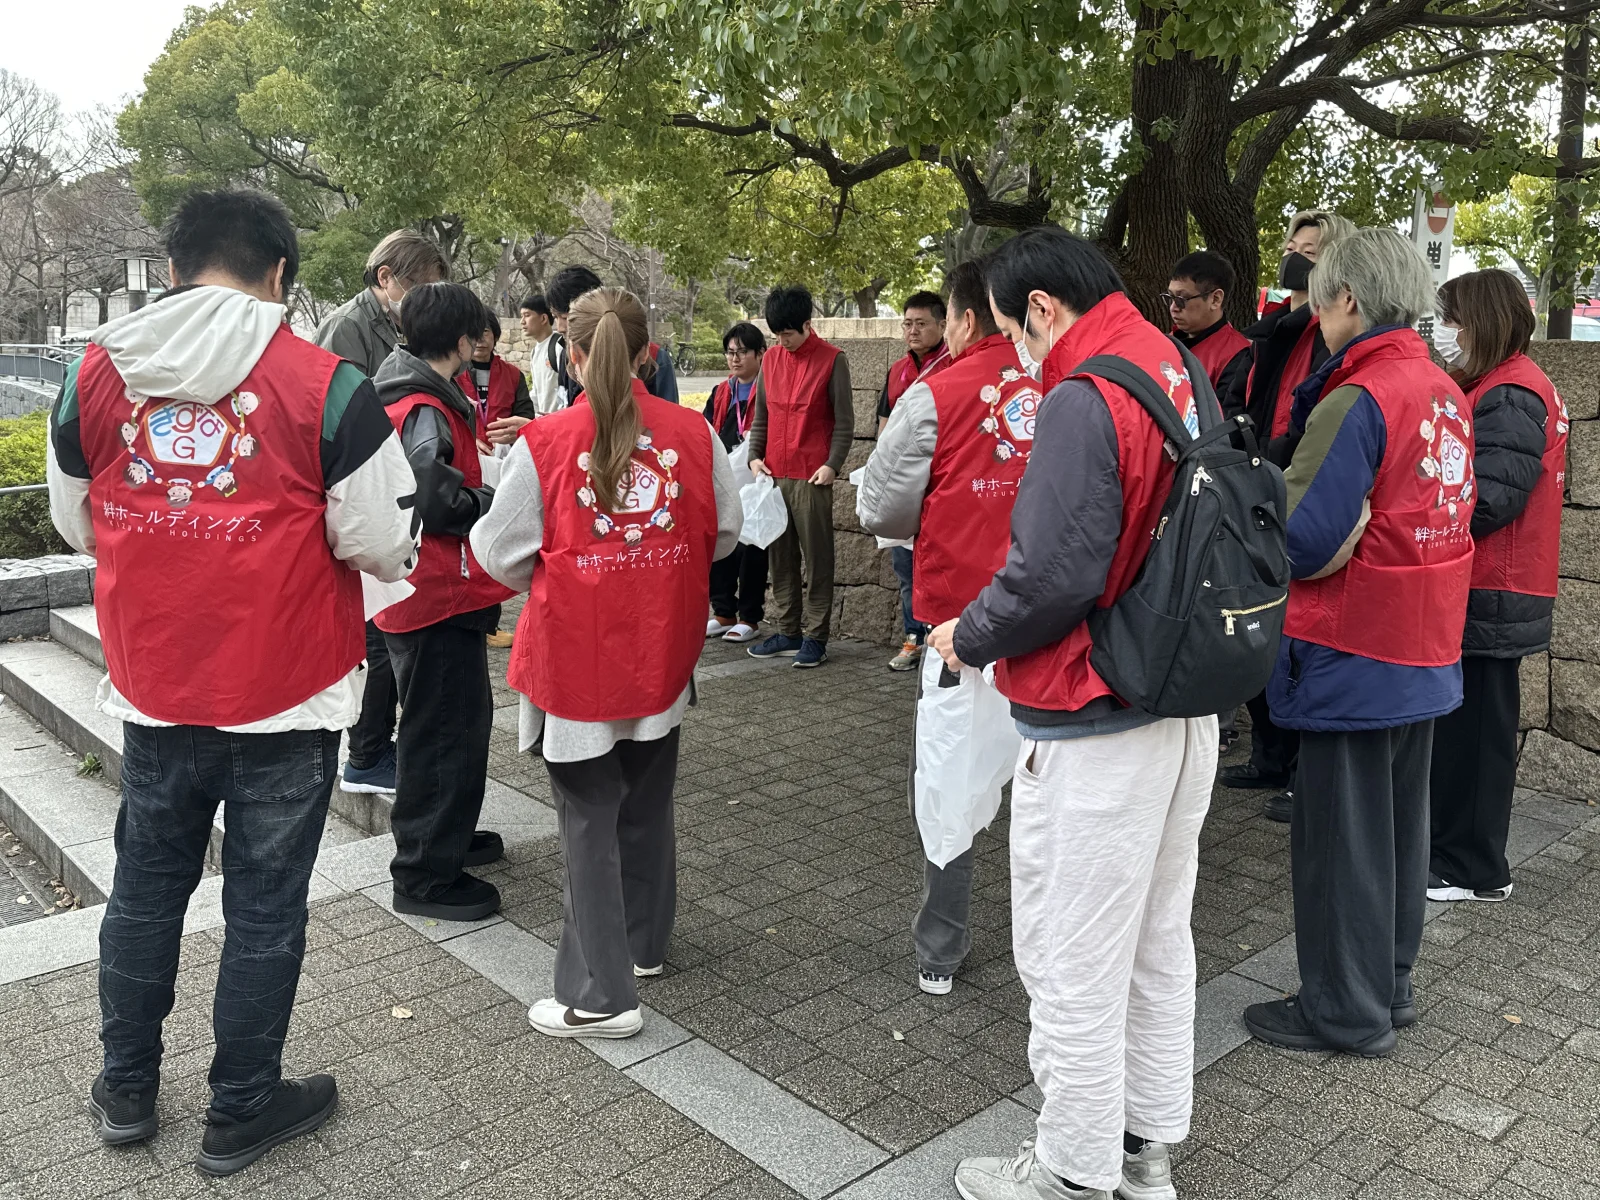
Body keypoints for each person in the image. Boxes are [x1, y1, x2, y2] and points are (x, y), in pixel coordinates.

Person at [47, 188, 416, 1174]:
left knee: (144, 891)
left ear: (171, 268)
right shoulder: (327, 384)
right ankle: (240, 1107)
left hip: (156, 688)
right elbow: (380, 541)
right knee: (263, 908)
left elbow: (78, 523)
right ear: (280, 275)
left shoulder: (93, 376)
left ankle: (126, 1090)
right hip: (286, 697)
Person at [928, 228, 1216, 1200]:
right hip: (1182, 704)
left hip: (1095, 715)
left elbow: (1050, 574)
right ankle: (1142, 1152)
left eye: (1014, 331)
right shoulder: (1173, 365)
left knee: (1069, 957)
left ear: (1043, 308)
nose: (1015, 353)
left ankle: (1070, 1172)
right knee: (1151, 939)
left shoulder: (1083, 394)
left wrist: (966, 635)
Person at [470, 288, 742, 1039]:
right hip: (662, 650)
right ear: (649, 352)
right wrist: (659, 568)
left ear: (573, 354)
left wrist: (567, 574)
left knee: (587, 818)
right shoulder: (695, 432)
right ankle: (643, 945)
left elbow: (496, 551)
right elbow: (727, 531)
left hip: (576, 656)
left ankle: (600, 994)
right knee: (647, 802)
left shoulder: (547, 442)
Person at [1240, 228, 1475, 1058]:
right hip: (1423, 636)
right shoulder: (1441, 387)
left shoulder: (1360, 394)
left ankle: (1343, 1008)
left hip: (1353, 643)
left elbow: (1302, 538)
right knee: (1398, 829)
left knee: (1342, 838)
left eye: (1318, 296)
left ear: (1344, 299)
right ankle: (1389, 982)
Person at [857, 258, 1034, 996]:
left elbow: (881, 508)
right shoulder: (1079, 383)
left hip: (960, 624)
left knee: (951, 783)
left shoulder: (935, 393)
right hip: (1061, 625)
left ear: (964, 319)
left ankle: (943, 948)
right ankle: (1049, 950)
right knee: (1053, 787)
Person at [373, 283, 515, 922]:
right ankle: (425, 872)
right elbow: (436, 501)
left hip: (424, 592)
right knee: (442, 733)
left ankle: (447, 837)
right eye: (476, 334)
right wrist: (491, 503)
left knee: (454, 722)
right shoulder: (425, 405)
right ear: (461, 340)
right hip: (436, 594)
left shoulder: (409, 393)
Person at [1427, 269, 1568, 904]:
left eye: (1451, 317)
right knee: (1469, 728)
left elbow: (1489, 499)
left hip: (1495, 583)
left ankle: (1474, 868)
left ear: (1480, 320)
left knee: (1479, 733)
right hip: (1498, 582)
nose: (1444, 330)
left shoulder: (1510, 394)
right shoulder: (1502, 385)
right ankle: (1459, 853)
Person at [1219, 209, 1354, 822]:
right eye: (1293, 245)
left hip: (1295, 480)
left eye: (1312, 250)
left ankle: (1302, 768)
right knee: (1262, 626)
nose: (1297, 257)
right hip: (1261, 476)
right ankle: (1271, 752)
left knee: (1299, 637)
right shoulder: (1281, 326)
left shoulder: (1328, 331)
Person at [314, 229, 449, 799]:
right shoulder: (347, 327)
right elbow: (332, 417)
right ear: (384, 278)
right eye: (419, 285)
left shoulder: (393, 324)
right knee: (375, 637)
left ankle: (372, 747)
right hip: (358, 494)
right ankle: (365, 754)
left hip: (387, 490)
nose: (425, 297)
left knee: (384, 632)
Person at [745, 285, 854, 669]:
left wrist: (833, 464)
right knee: (780, 558)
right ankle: (788, 630)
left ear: (807, 325)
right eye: (777, 334)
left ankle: (817, 636)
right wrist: (754, 457)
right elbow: (762, 417)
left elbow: (844, 422)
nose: (782, 341)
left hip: (813, 477)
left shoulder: (832, 360)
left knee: (818, 559)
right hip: (773, 474)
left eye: (788, 333)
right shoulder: (772, 360)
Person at [879, 290, 954, 672]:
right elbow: (883, 426)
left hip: (941, 486)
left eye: (921, 323)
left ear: (944, 325)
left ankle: (944, 641)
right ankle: (913, 639)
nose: (912, 330)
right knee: (905, 567)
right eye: (907, 323)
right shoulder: (897, 371)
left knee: (940, 567)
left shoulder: (954, 365)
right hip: (902, 487)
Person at [704, 321, 768, 643]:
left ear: (760, 353)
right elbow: (706, 432)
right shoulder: (721, 392)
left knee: (752, 547)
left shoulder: (768, 389)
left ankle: (750, 617)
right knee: (723, 542)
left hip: (756, 478)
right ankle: (723, 611)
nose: (735, 359)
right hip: (725, 477)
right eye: (731, 352)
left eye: (743, 352)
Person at [544, 265, 679, 407]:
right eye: (555, 317)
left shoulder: (656, 357)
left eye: (566, 318)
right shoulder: (566, 354)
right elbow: (567, 410)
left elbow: (669, 416)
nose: (560, 328)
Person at [1166, 250, 1252, 419]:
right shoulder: (1167, 342)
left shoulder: (1239, 356)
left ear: (1215, 299)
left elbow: (1221, 428)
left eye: (1182, 299)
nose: (1173, 307)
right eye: (1170, 297)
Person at [519, 293, 560, 415]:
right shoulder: (535, 352)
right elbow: (536, 393)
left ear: (543, 318)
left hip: (561, 424)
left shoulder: (559, 346)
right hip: (543, 424)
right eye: (521, 316)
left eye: (527, 315)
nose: (522, 321)